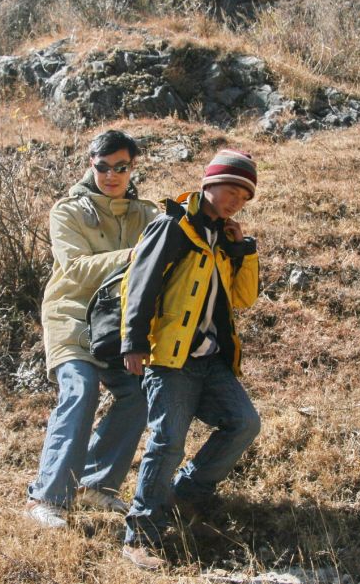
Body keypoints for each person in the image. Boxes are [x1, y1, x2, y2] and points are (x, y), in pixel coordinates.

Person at [118, 149, 261, 569]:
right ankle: (140, 536)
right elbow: (139, 284)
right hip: (171, 357)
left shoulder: (222, 238)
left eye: (244, 196)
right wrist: (134, 342)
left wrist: (242, 250)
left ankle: (183, 497)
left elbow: (243, 298)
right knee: (167, 443)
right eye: (231, 189)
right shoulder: (173, 226)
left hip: (211, 360)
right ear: (209, 182)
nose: (236, 200)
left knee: (243, 423)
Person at [26, 130, 159, 528]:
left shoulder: (146, 213)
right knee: (80, 390)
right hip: (71, 315)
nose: (111, 175)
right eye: (103, 167)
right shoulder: (67, 211)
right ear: (91, 165)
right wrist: (137, 255)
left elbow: (177, 237)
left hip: (118, 324)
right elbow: (75, 268)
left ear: (132, 167)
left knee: (139, 392)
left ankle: (96, 484)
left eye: (121, 167)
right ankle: (48, 498)